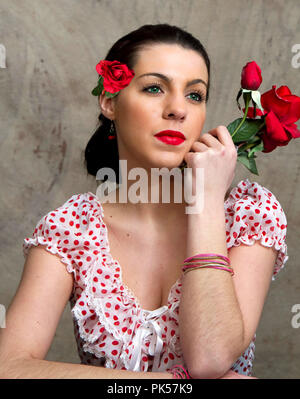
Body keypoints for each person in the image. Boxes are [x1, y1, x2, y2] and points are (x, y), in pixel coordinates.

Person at [0, 24, 288, 379]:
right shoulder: (73, 228)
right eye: (154, 88)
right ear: (109, 102)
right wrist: (168, 385)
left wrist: (207, 202)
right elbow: (9, 367)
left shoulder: (248, 214)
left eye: (195, 95)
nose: (177, 109)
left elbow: (210, 358)